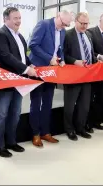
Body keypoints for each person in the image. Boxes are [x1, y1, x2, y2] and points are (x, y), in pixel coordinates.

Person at [0, 7, 38, 157]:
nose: (18, 21)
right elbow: (6, 56)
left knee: (15, 113)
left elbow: (22, 56)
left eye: (19, 18)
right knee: (1, 114)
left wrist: (30, 64)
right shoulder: (0, 34)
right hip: (5, 83)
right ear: (6, 19)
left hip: (19, 82)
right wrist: (26, 69)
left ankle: (11, 142)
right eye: (15, 18)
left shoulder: (20, 36)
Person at [28, 10, 72, 147]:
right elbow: (33, 45)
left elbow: (60, 49)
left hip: (52, 72)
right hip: (37, 70)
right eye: (63, 23)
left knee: (48, 102)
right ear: (58, 16)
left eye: (66, 25)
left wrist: (62, 60)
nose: (64, 27)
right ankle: (35, 134)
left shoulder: (63, 31)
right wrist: (49, 58)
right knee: (36, 102)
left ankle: (45, 132)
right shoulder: (44, 24)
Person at [63, 12, 96, 141]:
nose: (84, 26)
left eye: (86, 23)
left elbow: (91, 54)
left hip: (87, 76)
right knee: (70, 105)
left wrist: (98, 59)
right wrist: (74, 61)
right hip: (73, 76)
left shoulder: (89, 35)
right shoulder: (67, 35)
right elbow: (63, 55)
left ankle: (81, 128)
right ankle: (69, 130)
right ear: (75, 21)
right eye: (82, 23)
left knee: (84, 105)